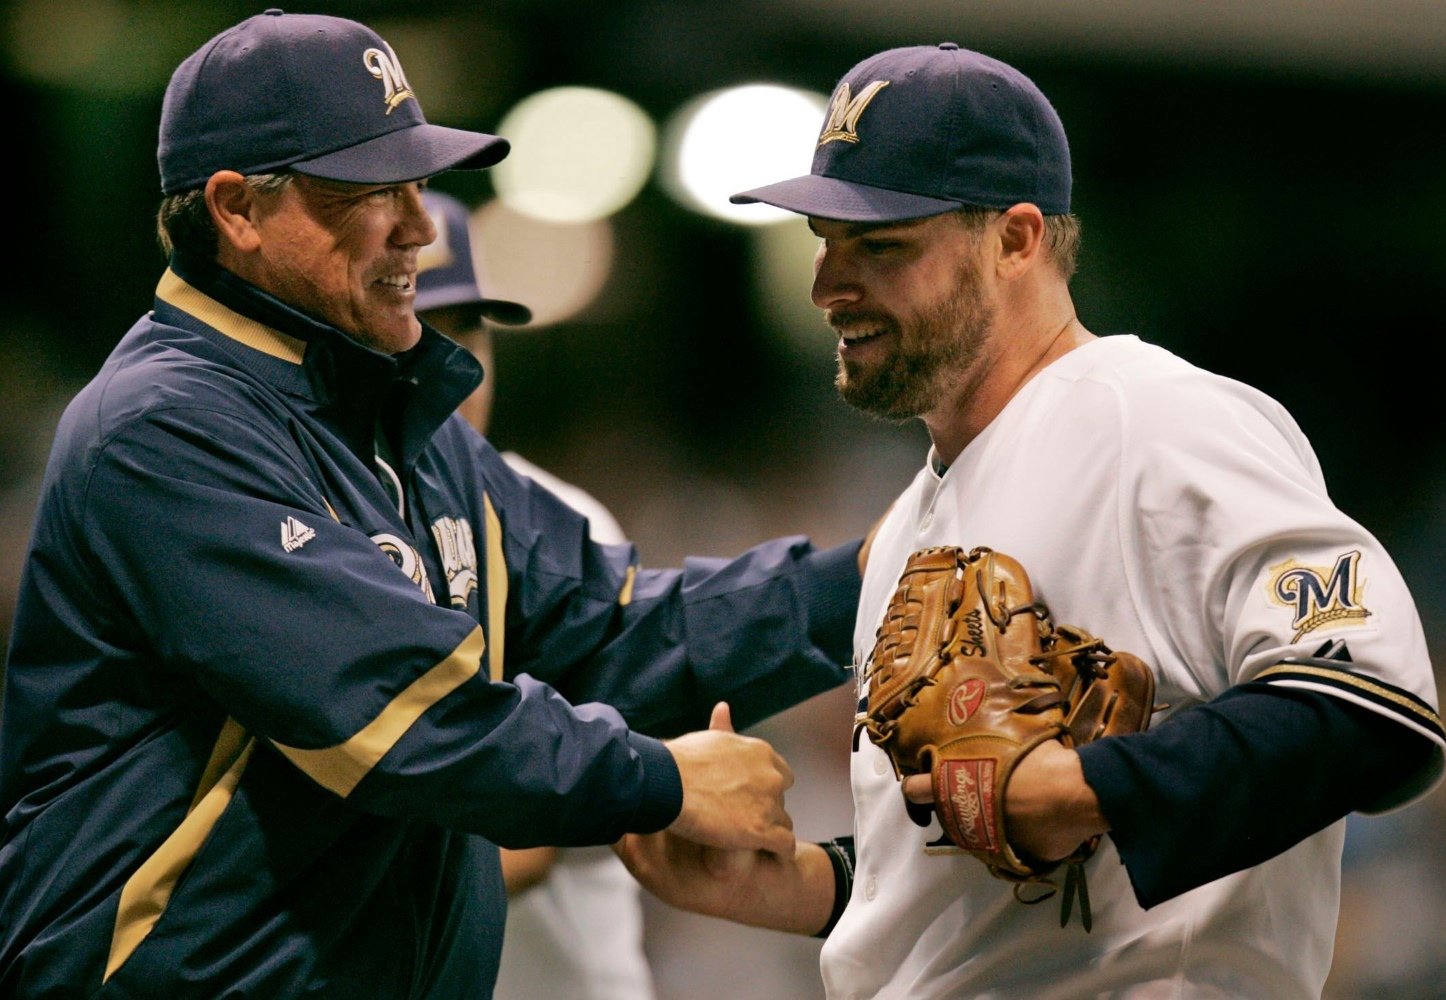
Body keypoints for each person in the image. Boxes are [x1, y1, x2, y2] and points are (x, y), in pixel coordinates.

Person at [0, 11, 869, 997]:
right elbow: (398, 716)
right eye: (373, 188)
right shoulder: (162, 424)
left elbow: (614, 630)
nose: (422, 222)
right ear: (238, 209)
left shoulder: (399, 422)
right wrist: (664, 778)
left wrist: (871, 578)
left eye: (419, 180)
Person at [615, 42, 1446, 999]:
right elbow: (993, 889)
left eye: (881, 246)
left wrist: (1088, 789)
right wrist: (801, 885)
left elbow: (1374, 704)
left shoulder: (1155, 420)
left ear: (1016, 240)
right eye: (825, 240)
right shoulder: (920, 509)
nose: (828, 286)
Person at [413, 188, 657, 1000]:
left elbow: (535, 832)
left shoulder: (556, 523)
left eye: (467, 328)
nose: (455, 366)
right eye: (421, 332)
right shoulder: (324, 523)